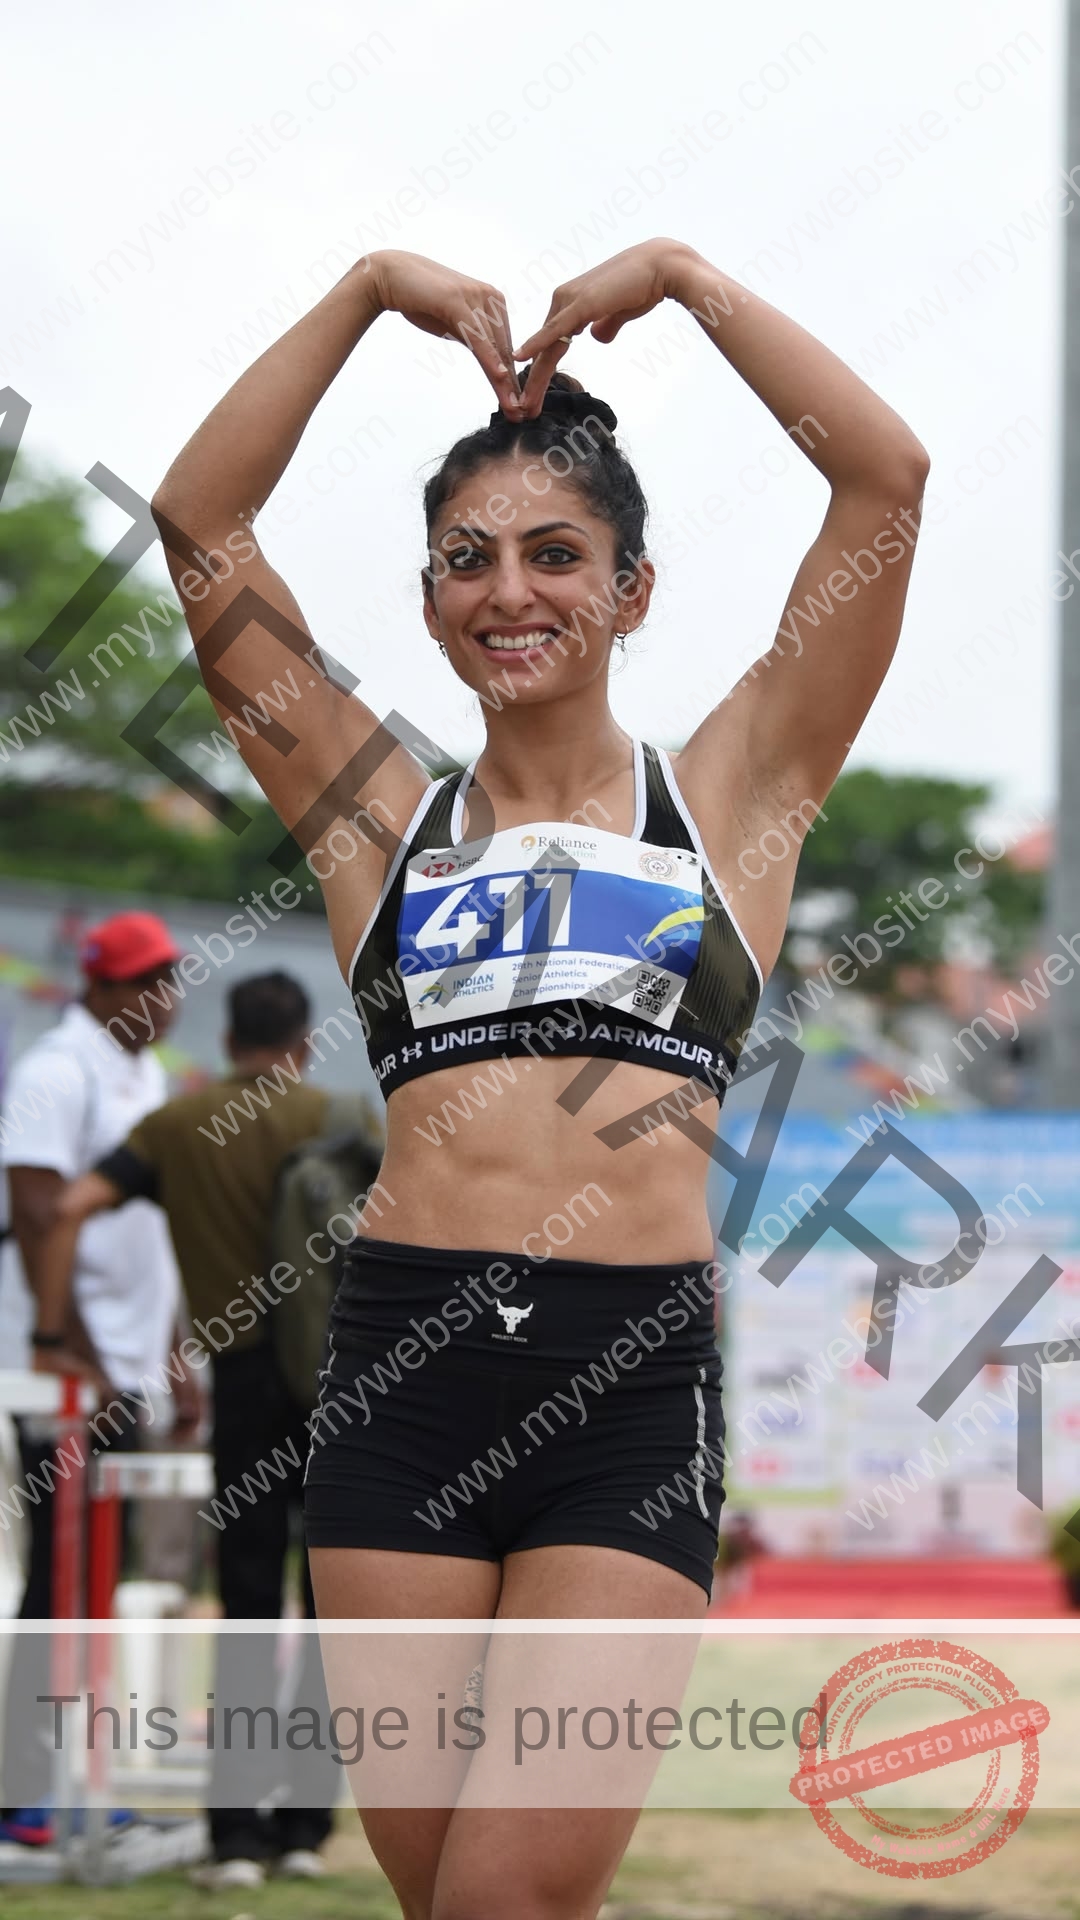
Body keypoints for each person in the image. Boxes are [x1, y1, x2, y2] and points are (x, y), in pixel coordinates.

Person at [148, 239, 929, 1917]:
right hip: (399, 1378)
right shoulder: (378, 816)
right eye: (468, 559)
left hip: (628, 1394)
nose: (510, 592)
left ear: (631, 590)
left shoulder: (733, 794)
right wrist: (366, 291)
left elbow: (884, 480)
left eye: (557, 554)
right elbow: (202, 525)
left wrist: (687, 280)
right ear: (432, 599)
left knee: (511, 1903)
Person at [45, 969, 384, 1890]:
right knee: (332, 1600)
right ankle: (305, 1827)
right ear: (303, 1044)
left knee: (244, 1602)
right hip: (344, 1384)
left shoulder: (175, 1127)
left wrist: (58, 1337)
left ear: (228, 1040)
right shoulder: (341, 1116)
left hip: (239, 1386)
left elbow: (68, 1209)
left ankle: (235, 1836)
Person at [0, 908, 196, 1837]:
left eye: (172, 978)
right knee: (60, 1574)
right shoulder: (56, 1069)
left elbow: (152, 1233)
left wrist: (173, 1355)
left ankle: (70, 1779)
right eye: (147, 982)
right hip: (66, 1367)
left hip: (125, 1361)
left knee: (95, 1578)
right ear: (100, 986)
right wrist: (71, 1346)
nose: (167, 998)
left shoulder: (144, 1074)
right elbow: (39, 1215)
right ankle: (22, 1790)